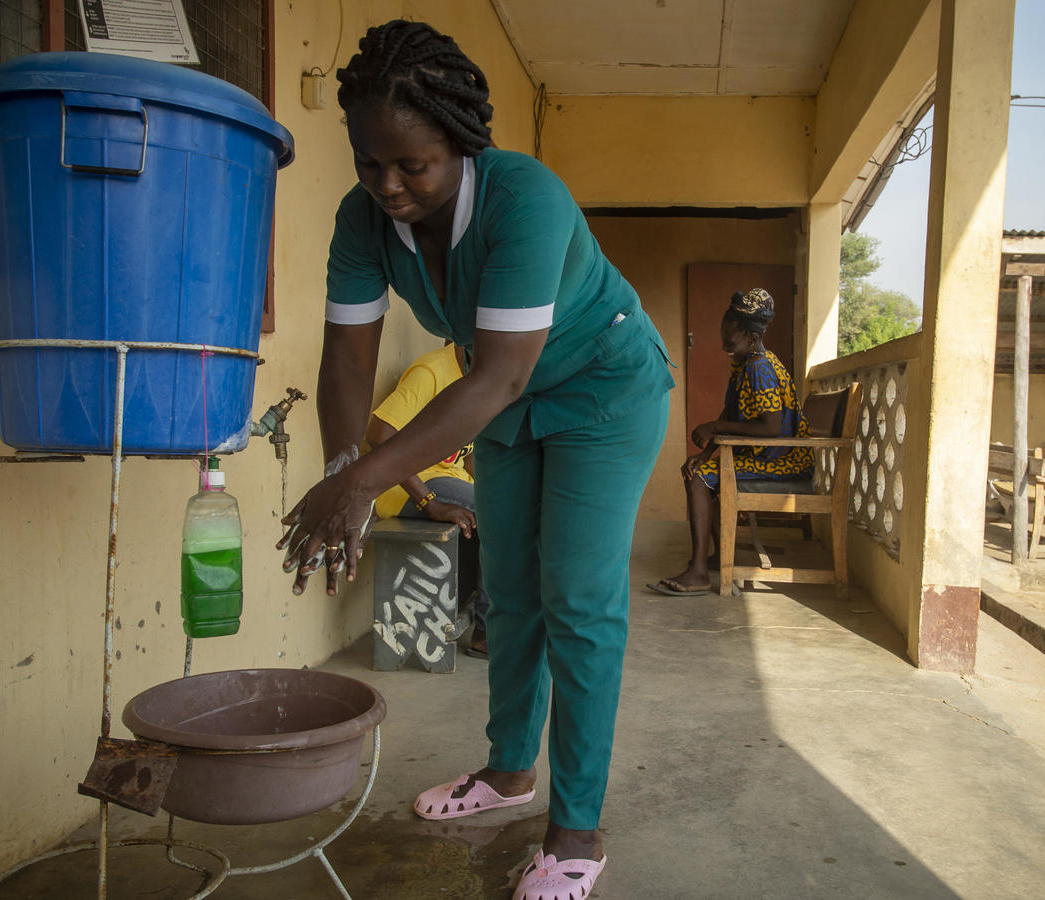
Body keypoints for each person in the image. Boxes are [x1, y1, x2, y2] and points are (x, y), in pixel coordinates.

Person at [275, 19, 673, 900]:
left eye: (410, 165)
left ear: (458, 146)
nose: (387, 184)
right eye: (368, 162)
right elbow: (346, 359)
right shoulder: (361, 220)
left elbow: (498, 371)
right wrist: (345, 471)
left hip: (602, 389)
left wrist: (363, 484)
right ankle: (506, 774)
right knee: (514, 589)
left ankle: (575, 829)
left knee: (575, 596)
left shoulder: (524, 198)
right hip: (503, 398)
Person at [648, 288, 812, 596]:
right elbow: (732, 413)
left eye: (730, 342)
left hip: (783, 459)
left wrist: (714, 427)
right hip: (767, 455)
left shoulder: (759, 367)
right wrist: (706, 452)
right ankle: (719, 556)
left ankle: (698, 572)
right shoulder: (745, 364)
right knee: (698, 470)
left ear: (751, 338)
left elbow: (771, 427)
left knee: (699, 481)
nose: (725, 348)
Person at [364, 341, 488, 655]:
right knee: (502, 513)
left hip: (447, 479)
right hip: (407, 486)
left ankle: (483, 615)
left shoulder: (483, 376)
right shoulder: (432, 371)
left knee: (515, 505)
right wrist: (428, 502)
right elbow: (379, 436)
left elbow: (466, 454)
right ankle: (490, 632)